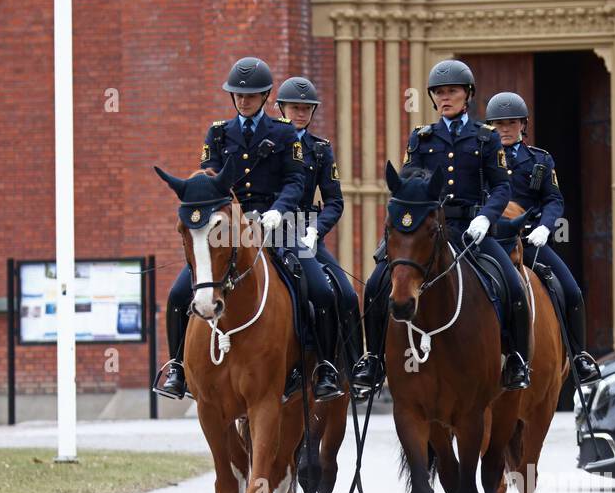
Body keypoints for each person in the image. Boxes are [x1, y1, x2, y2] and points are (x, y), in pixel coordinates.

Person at [153, 57, 344, 402]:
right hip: (229, 228)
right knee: (180, 293)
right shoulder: (218, 133)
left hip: (280, 225)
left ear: (266, 96)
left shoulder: (285, 134)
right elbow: (210, 177)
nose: (244, 100)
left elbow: (295, 179)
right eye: (238, 95)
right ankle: (178, 367)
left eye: (252, 95)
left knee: (318, 288)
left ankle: (321, 365)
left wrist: (277, 212)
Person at [350, 59, 532, 395]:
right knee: (376, 284)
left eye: (452, 92)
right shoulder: (422, 137)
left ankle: (517, 359)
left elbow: (502, 187)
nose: (445, 98)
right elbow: (408, 178)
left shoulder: (486, 137)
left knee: (512, 284)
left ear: (468, 95)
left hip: (471, 228)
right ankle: (373, 359)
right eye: (439, 93)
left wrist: (485, 217)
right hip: (427, 229)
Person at [486, 91, 601, 384]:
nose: (505, 129)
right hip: (491, 241)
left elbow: (554, 200)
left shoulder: (539, 161)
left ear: (523, 125)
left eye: (511, 123)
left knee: (571, 291)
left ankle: (579, 356)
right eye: (499, 124)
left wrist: (545, 228)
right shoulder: (481, 163)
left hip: (530, 242)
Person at [274, 76, 363, 371]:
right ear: (280, 108)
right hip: (268, 231)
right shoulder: (268, 142)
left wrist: (316, 230)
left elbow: (334, 201)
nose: (301, 113)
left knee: (344, 294)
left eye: (307, 108)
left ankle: (341, 366)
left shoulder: (321, 149)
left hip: (305, 233)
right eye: (295, 107)